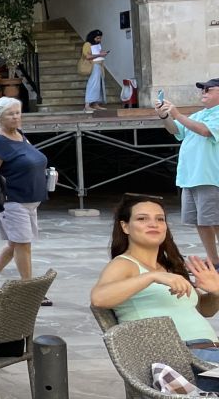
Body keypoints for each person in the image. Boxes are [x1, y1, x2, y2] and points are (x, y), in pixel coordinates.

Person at [90, 194, 219, 351]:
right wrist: (151, 276)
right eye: (142, 219)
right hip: (180, 355)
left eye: (160, 219)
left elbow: (204, 310)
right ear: (125, 226)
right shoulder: (124, 264)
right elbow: (99, 299)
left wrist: (215, 293)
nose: (153, 224)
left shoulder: (168, 267)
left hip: (208, 351)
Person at [0, 97, 51, 299]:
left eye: (18, 112)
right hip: (13, 201)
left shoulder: (20, 135)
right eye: (11, 113)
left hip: (30, 199)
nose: (16, 117)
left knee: (15, 244)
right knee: (23, 244)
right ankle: (28, 291)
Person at [156, 79, 219, 264]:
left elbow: (205, 131)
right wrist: (165, 116)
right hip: (190, 177)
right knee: (201, 222)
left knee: (215, 221)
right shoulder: (199, 114)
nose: (203, 92)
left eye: (209, 89)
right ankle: (214, 261)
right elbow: (176, 130)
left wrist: (177, 113)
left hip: (209, 177)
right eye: (202, 90)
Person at [82, 29, 107, 109]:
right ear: (93, 37)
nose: (99, 40)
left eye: (100, 38)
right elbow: (87, 56)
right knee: (92, 84)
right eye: (97, 38)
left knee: (98, 85)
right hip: (93, 66)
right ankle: (87, 104)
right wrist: (99, 54)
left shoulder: (97, 44)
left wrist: (102, 54)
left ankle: (95, 104)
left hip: (99, 66)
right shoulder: (87, 44)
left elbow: (98, 54)